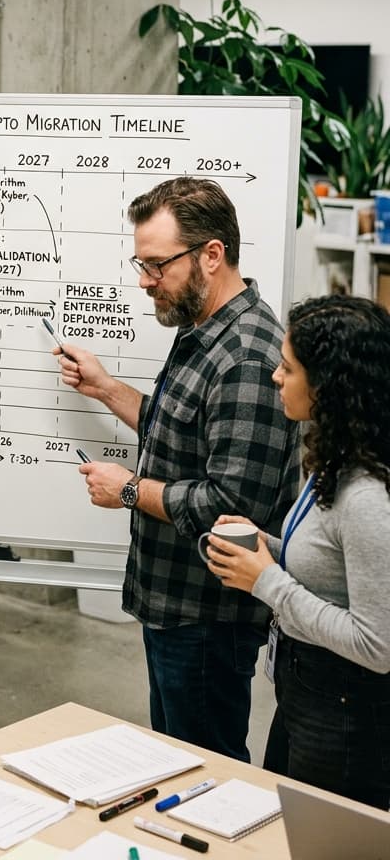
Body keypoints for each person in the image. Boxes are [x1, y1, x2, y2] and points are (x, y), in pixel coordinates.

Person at [56, 177, 298, 762]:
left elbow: (232, 503)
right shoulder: (202, 331)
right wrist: (107, 389)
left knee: (206, 776)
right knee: (177, 762)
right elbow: (181, 434)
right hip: (173, 607)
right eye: (140, 263)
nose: (144, 281)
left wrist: (131, 490)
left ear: (211, 255)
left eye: (156, 265)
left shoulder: (247, 355)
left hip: (207, 620)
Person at [204, 295, 390, 808]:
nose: (275, 378)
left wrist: (266, 581)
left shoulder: (369, 496)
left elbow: (378, 645)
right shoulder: (335, 457)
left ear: (329, 385)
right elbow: (334, 566)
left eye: (287, 368)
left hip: (348, 716)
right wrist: (268, 545)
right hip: (305, 692)